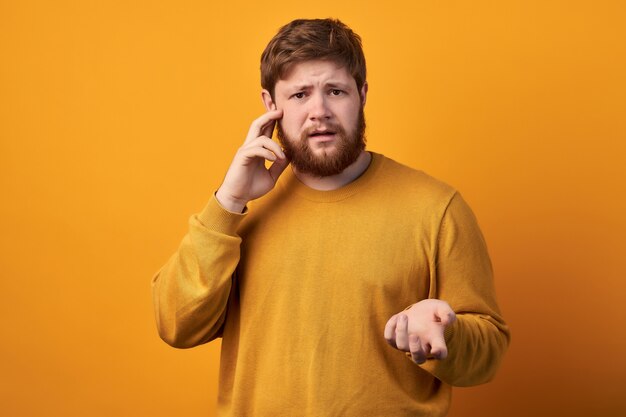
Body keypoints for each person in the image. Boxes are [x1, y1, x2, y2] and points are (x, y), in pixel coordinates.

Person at [152, 18, 510, 417]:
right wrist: (229, 201)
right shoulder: (239, 213)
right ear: (271, 106)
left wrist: (448, 330)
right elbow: (176, 325)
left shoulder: (438, 209)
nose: (318, 111)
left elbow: (489, 353)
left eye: (335, 91)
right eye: (300, 94)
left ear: (362, 94)